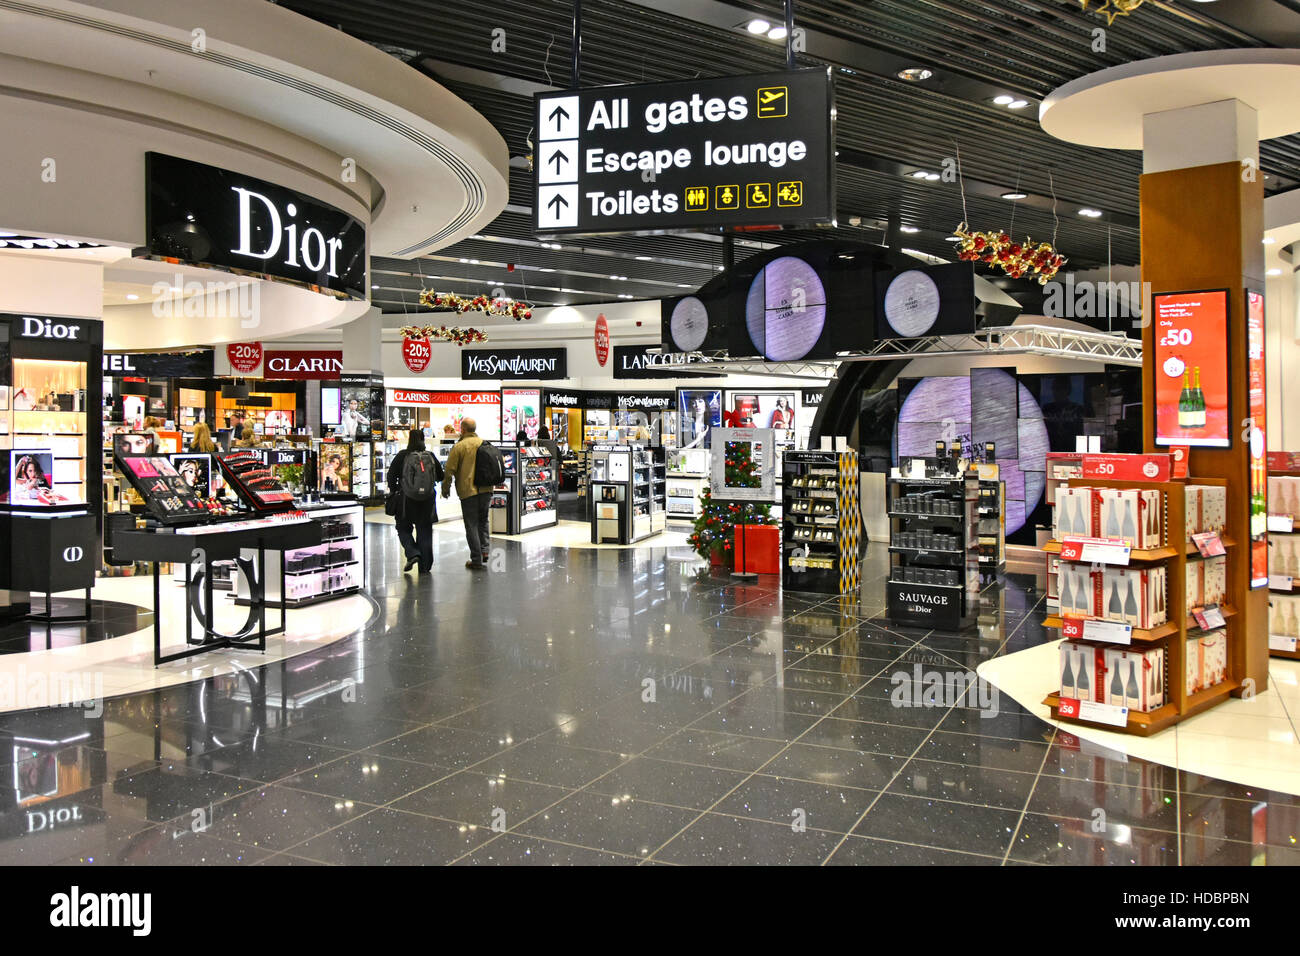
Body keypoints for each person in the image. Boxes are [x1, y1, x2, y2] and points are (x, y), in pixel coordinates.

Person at [441, 418, 493, 570]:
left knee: (471, 524)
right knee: (483, 520)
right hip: (486, 489)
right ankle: (484, 551)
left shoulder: (459, 447)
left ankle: (476, 558)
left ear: (462, 430)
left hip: (468, 490)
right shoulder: (485, 443)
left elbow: (449, 470)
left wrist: (445, 489)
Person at [388, 427, 442, 574]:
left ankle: (412, 552)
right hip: (427, 500)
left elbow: (391, 475)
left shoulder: (402, 456)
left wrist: (394, 490)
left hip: (406, 499)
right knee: (424, 530)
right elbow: (441, 475)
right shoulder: (429, 455)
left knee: (403, 527)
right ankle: (425, 566)